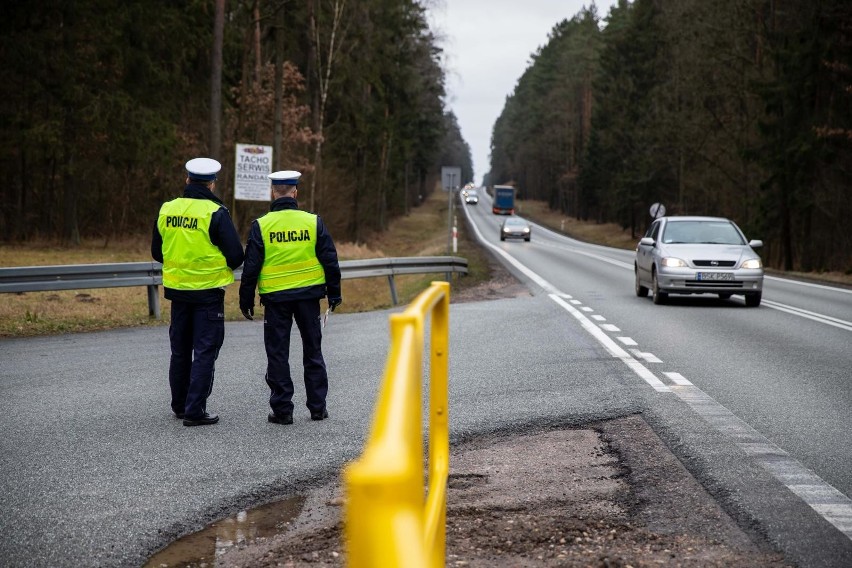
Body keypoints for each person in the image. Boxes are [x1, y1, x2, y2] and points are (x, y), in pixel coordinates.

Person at [239, 170, 342, 425]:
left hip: (275, 300)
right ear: (295, 192)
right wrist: (334, 294)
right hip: (309, 297)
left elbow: (250, 267)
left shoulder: (262, 225)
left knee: (277, 354)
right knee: (313, 351)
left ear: (273, 193)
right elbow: (330, 260)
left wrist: (246, 299)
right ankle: (318, 408)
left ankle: (283, 410)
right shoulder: (313, 222)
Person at [151, 157, 244, 427]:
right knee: (205, 350)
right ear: (212, 183)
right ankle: (195, 410)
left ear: (187, 179)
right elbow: (236, 256)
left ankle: (180, 406)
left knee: (179, 350)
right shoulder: (215, 212)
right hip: (208, 294)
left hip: (178, 292)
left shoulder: (167, 209)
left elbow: (157, 252)